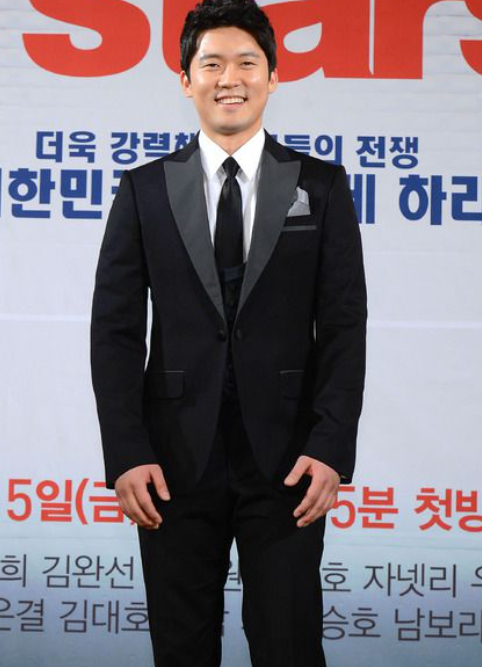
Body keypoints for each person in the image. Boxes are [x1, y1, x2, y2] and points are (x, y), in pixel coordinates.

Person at [90, 0, 367, 665]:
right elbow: (115, 330)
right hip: (170, 463)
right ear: (186, 79)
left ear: (273, 76)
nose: (230, 79)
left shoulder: (321, 186)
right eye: (211, 63)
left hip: (290, 460)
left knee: (288, 644)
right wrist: (126, 451)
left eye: (247, 62)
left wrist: (331, 446)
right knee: (181, 648)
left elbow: (343, 325)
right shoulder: (145, 189)